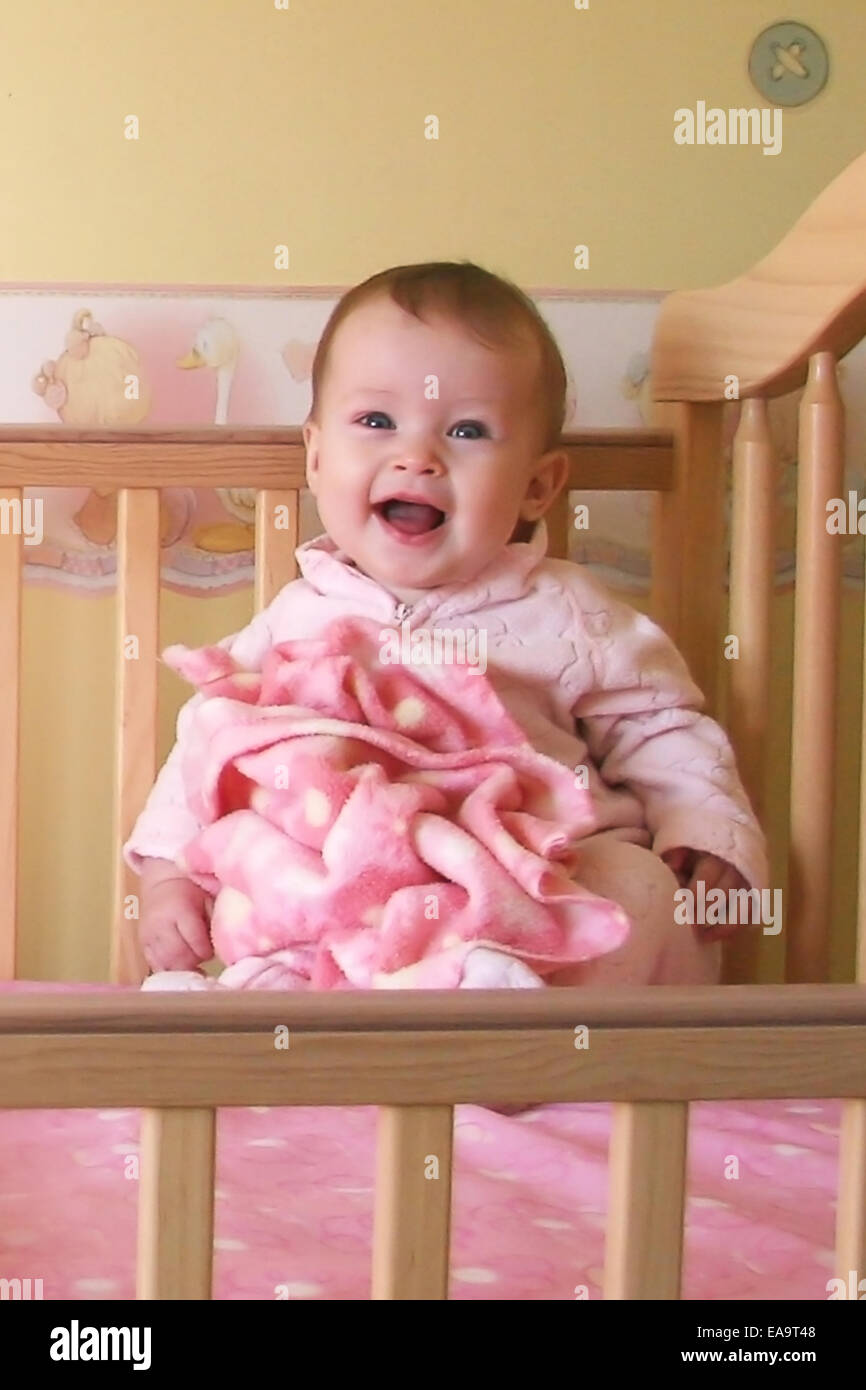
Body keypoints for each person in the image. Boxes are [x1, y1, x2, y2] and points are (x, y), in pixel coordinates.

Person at [124, 260, 768, 992]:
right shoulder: (298, 618)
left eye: (467, 430)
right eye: (376, 422)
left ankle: (506, 1011)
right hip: (354, 896)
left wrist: (707, 834)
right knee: (280, 879)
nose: (417, 456)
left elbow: (662, 730)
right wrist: (172, 878)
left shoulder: (569, 613)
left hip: (531, 890)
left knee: (637, 885)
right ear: (316, 454)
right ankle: (273, 1005)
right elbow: (214, 751)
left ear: (537, 485)